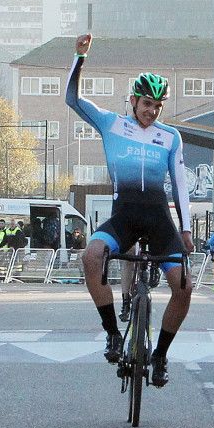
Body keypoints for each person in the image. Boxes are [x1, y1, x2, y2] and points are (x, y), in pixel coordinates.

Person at [67, 33, 193, 388]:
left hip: (158, 221)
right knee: (92, 257)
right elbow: (72, 98)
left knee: (184, 286)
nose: (151, 111)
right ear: (134, 100)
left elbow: (181, 184)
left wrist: (184, 231)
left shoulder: (170, 137)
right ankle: (111, 332)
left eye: (157, 106)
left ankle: (161, 355)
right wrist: (80, 58)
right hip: (123, 217)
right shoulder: (111, 124)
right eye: (146, 103)